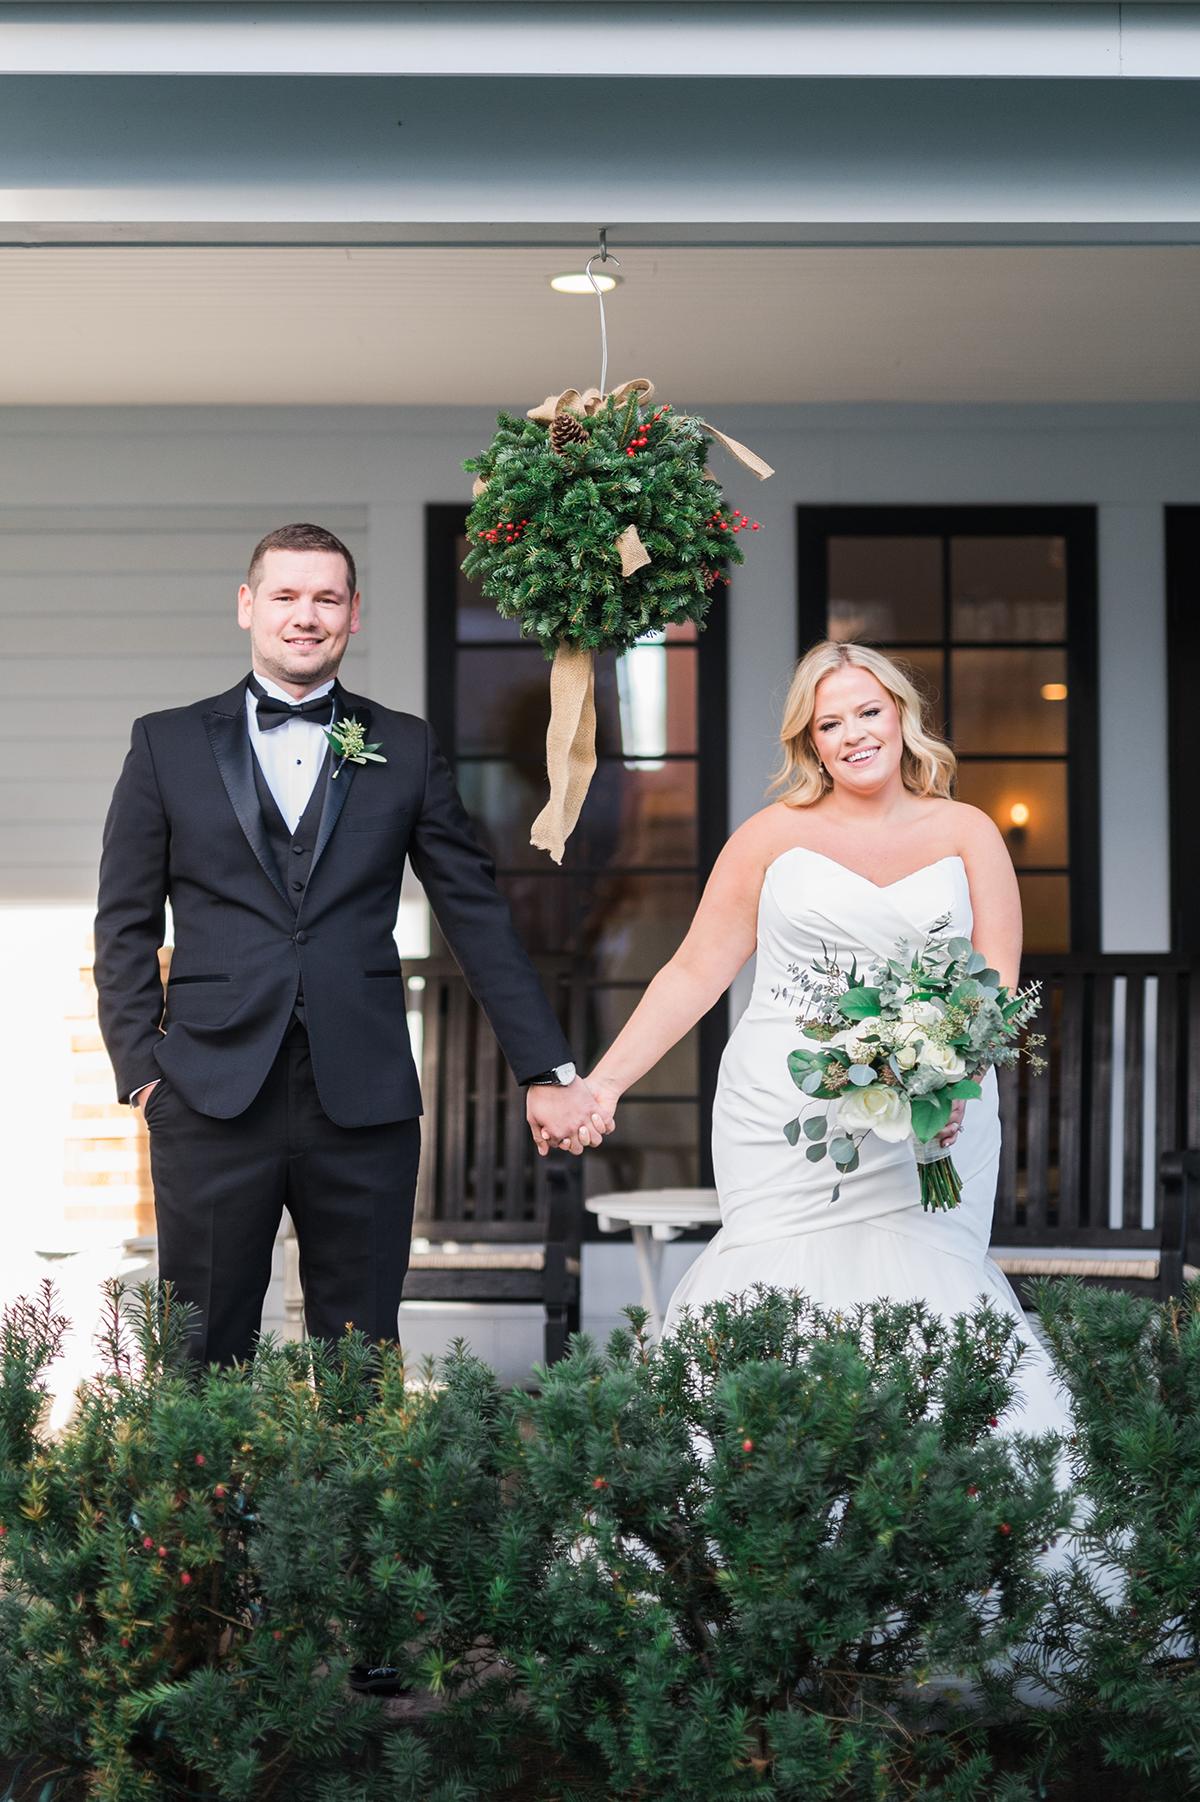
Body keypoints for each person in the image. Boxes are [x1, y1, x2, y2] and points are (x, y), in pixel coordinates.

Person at [94, 522, 611, 1367]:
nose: (306, 616)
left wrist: (546, 1070)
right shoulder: (165, 743)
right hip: (209, 1091)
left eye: (326, 598)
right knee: (201, 1354)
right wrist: (144, 1074)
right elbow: (123, 921)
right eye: (286, 596)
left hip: (364, 1095)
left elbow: (474, 915)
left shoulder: (404, 746)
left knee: (359, 1356)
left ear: (354, 613)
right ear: (247, 605)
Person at [586, 638, 1070, 1433]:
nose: (853, 735)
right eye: (829, 724)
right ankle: (765, 1482)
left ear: (902, 715)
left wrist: (954, 1085)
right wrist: (605, 1083)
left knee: (929, 1296)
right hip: (786, 1111)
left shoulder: (969, 831)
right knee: (778, 1287)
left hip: (936, 1116)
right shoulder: (769, 837)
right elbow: (694, 972)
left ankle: (937, 1489)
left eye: (868, 712)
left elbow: (996, 986)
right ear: (809, 742)